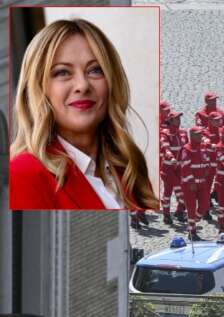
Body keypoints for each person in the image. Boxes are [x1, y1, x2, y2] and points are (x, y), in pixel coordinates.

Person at [10, 19, 157, 210]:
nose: (82, 85)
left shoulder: (130, 170)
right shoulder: (23, 174)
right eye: (62, 72)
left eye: (95, 70)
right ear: (39, 88)